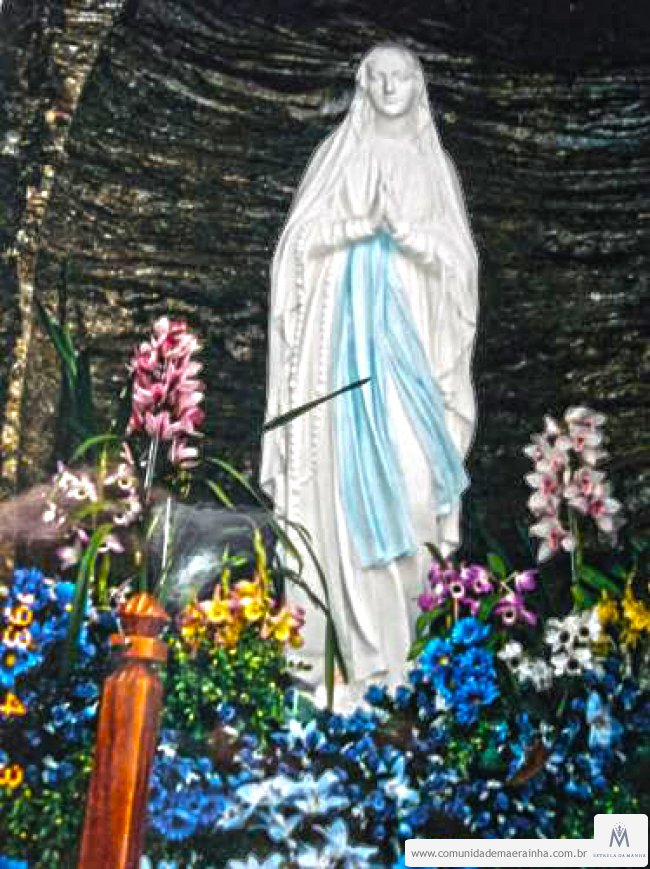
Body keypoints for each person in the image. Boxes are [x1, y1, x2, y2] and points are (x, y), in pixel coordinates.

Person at [260, 43, 479, 710]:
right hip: (338, 369)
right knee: (335, 499)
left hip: (409, 366)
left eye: (400, 77)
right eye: (377, 77)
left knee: (413, 489)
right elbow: (295, 250)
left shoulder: (434, 168)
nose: (388, 88)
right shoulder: (337, 156)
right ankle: (338, 662)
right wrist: (356, 228)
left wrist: (413, 240)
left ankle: (400, 657)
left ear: (418, 85)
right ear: (363, 85)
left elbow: (460, 267)